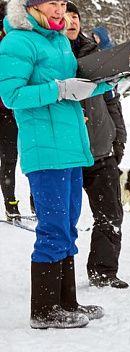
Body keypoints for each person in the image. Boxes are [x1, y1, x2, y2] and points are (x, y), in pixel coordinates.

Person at [0, 0, 113, 329]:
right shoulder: (17, 41)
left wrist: (115, 80)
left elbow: (78, 89)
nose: (60, 9)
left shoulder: (60, 40)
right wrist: (58, 88)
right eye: (52, 2)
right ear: (33, 5)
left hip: (71, 146)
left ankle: (67, 301)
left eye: (63, 2)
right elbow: (11, 95)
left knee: (67, 226)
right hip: (44, 149)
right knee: (52, 228)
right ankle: (43, 309)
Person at [64, 2, 129, 289]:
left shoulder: (97, 53)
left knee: (111, 214)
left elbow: (112, 98)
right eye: (65, 16)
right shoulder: (50, 55)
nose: (71, 21)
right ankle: (59, 280)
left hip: (101, 148)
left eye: (75, 16)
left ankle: (104, 271)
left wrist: (119, 137)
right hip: (65, 152)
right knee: (64, 219)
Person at [0, 1, 22, 221]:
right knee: (8, 158)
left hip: (19, 108)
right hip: (4, 111)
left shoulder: (19, 38)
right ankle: (11, 203)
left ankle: (37, 202)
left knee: (29, 155)